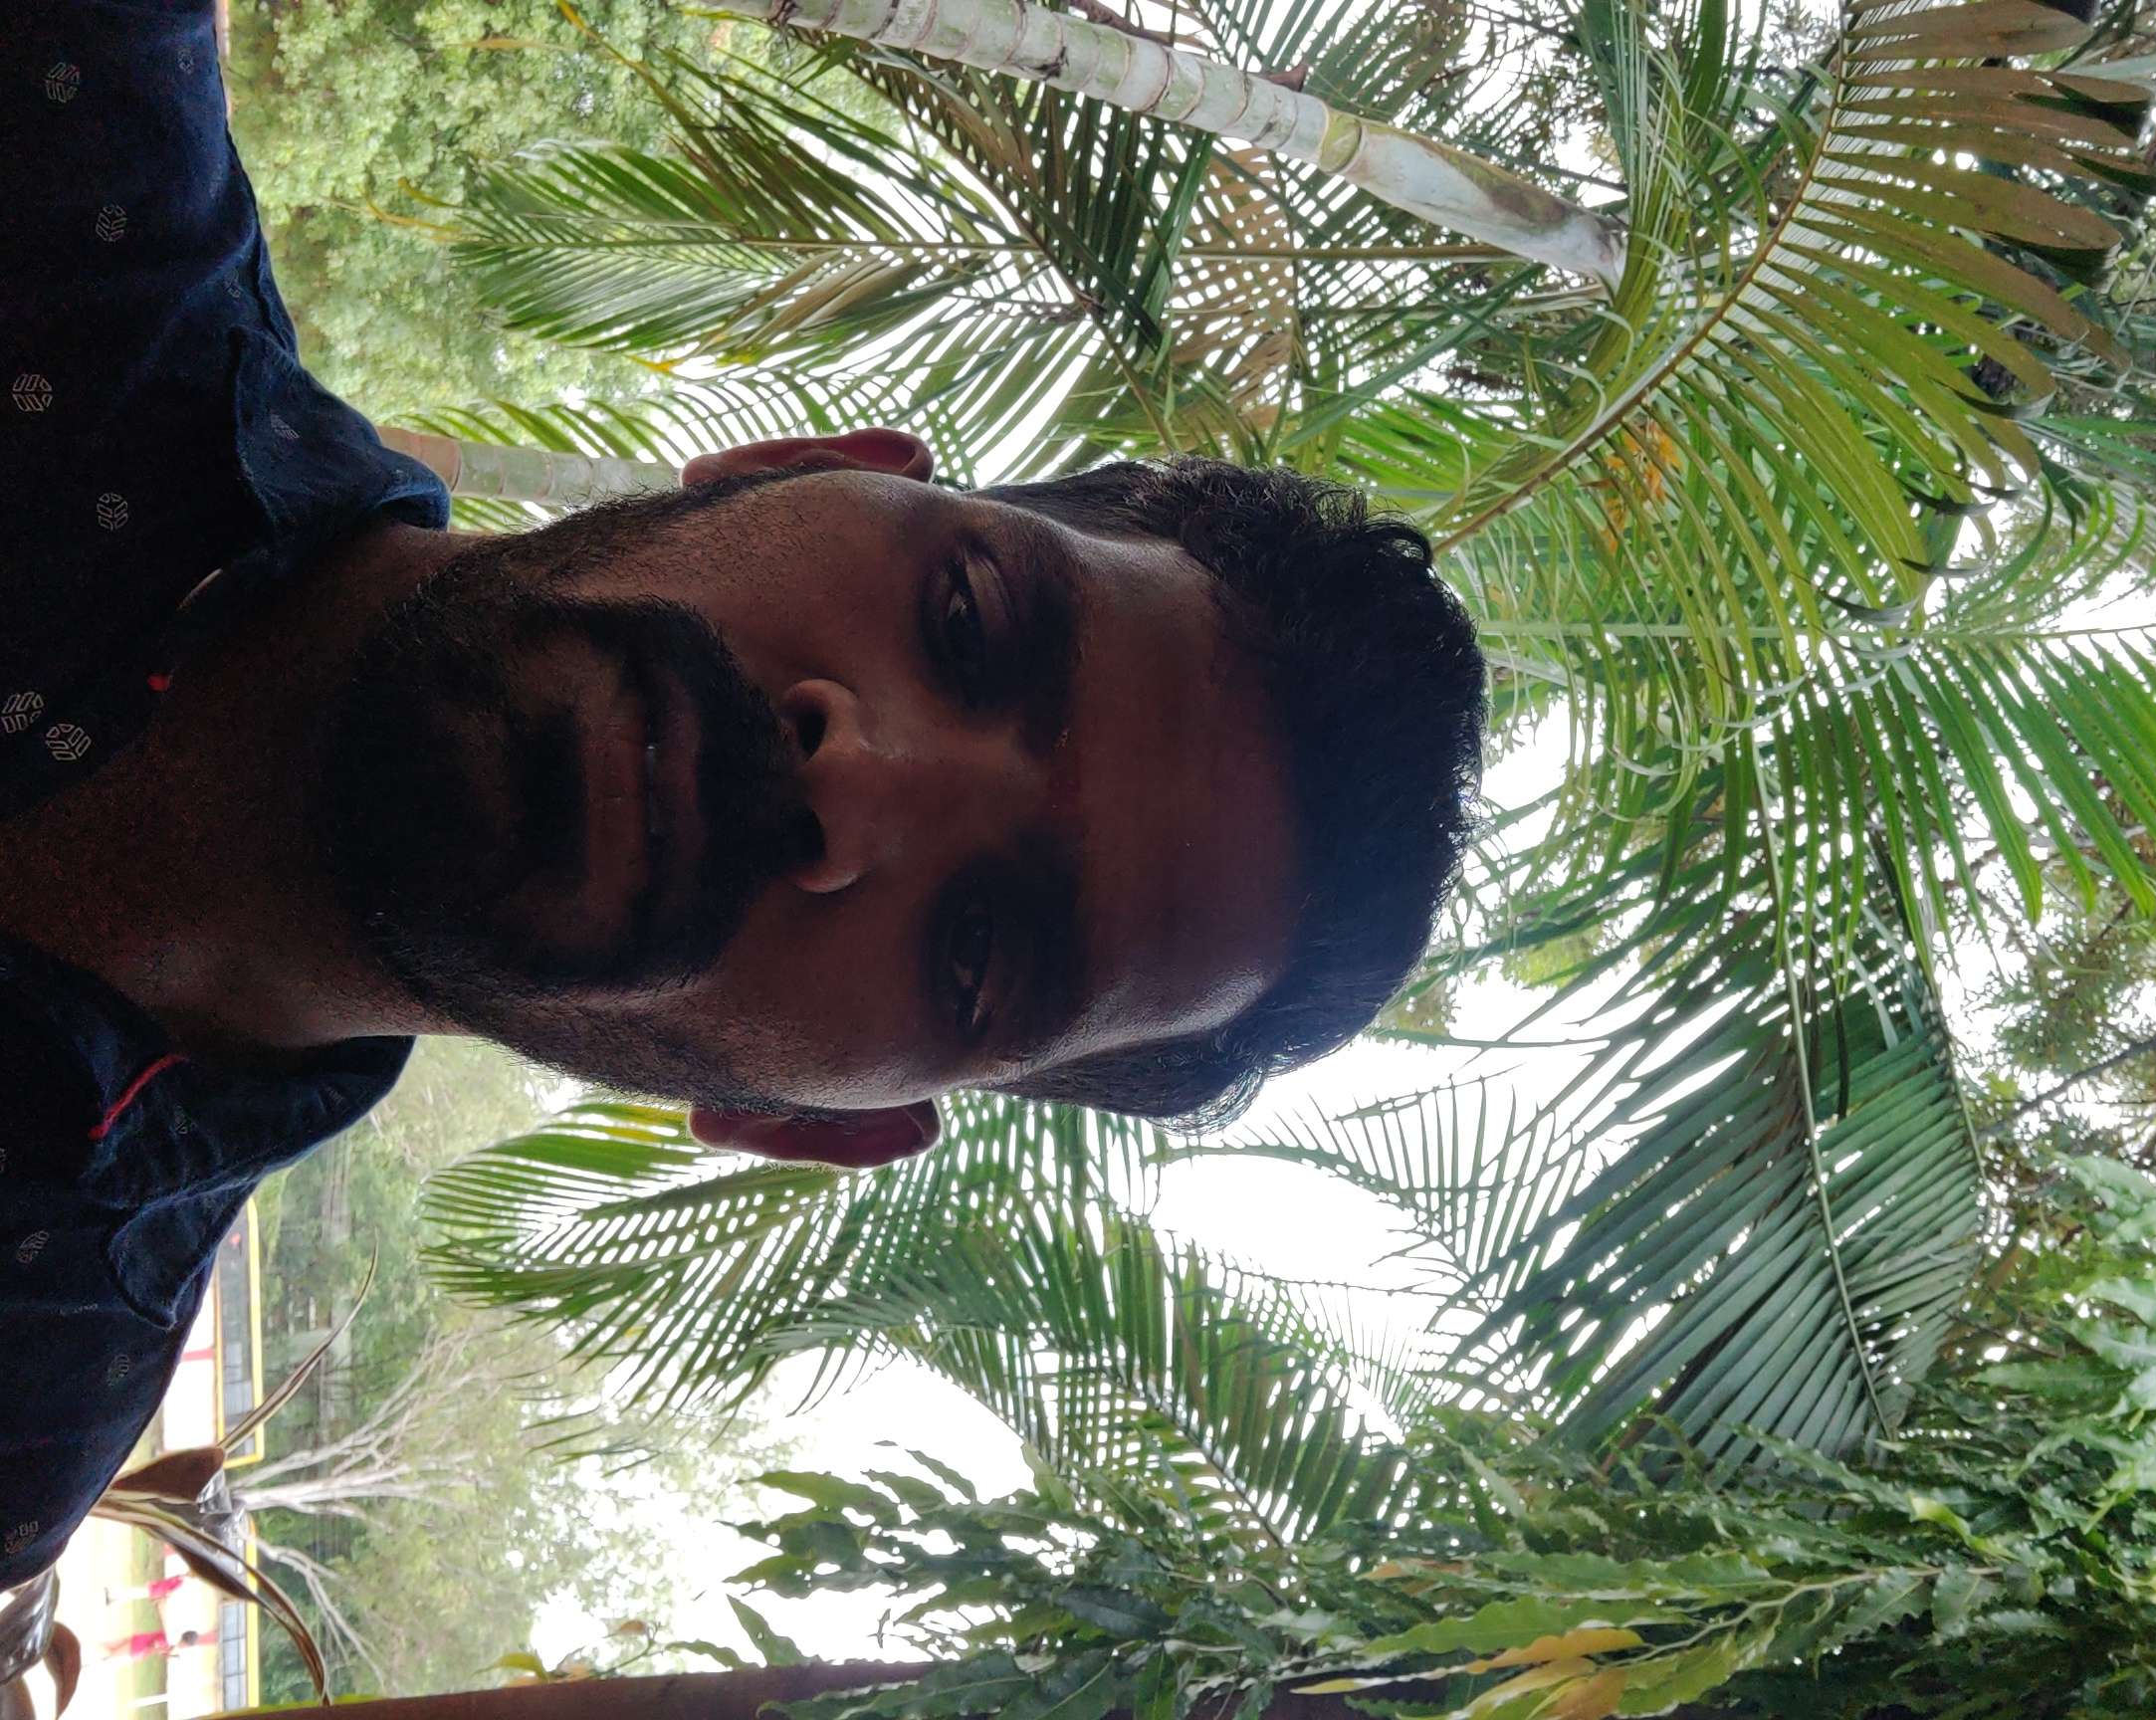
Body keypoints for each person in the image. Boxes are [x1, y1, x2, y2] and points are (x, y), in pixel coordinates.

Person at [0, 0, 1487, 1593]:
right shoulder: (69, 118)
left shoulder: (30, 1399)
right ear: (784, 463)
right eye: (967, 622)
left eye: (981, 953)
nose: (857, 784)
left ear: (808, 1123)